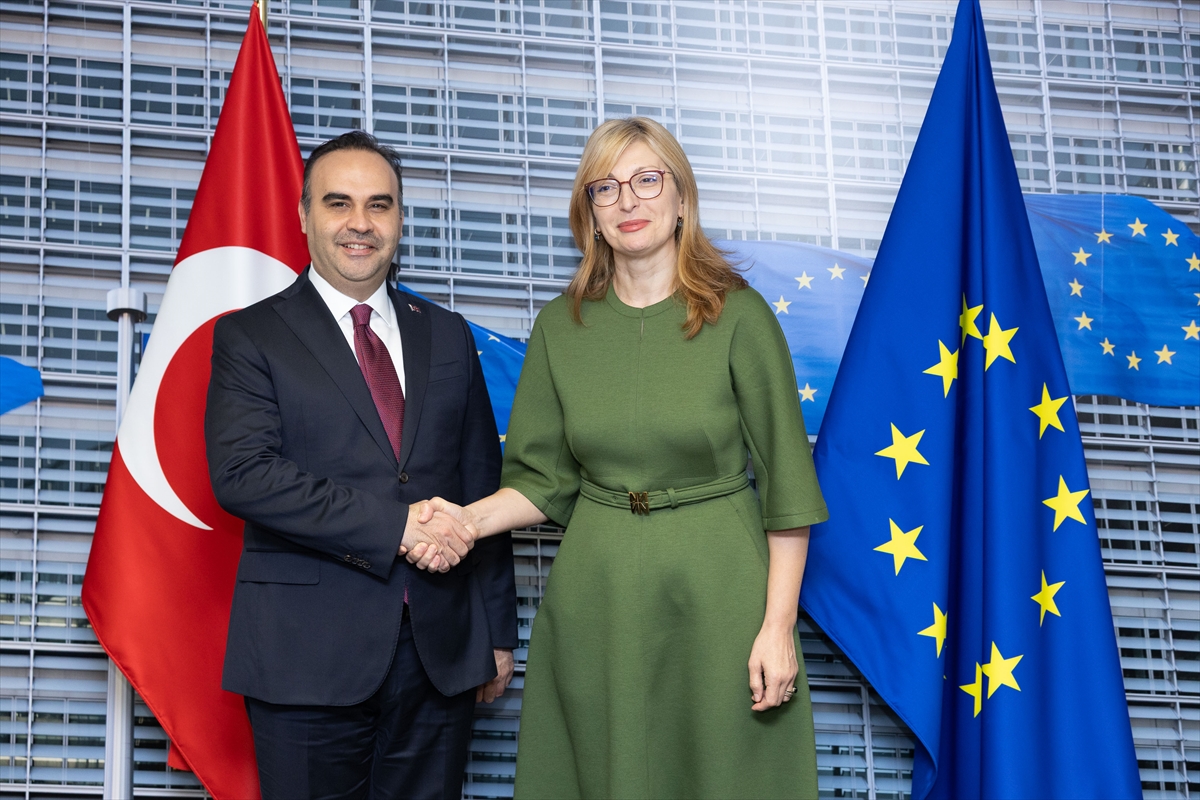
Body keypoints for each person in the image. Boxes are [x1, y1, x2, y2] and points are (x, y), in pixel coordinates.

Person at [412, 117, 829, 799]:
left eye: (647, 180)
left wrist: (778, 628)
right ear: (591, 213)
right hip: (597, 596)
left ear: (681, 199)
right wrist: (460, 520)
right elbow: (540, 480)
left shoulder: (741, 316)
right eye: (605, 187)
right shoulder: (560, 326)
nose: (627, 200)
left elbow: (788, 489)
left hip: (720, 589)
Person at [204, 130, 518, 800]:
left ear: (400, 218)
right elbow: (244, 474)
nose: (360, 223)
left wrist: (496, 632)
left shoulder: (448, 334)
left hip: (442, 653)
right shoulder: (251, 334)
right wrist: (397, 527)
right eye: (338, 202)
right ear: (304, 215)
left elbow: (479, 484)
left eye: (380, 204)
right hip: (304, 655)